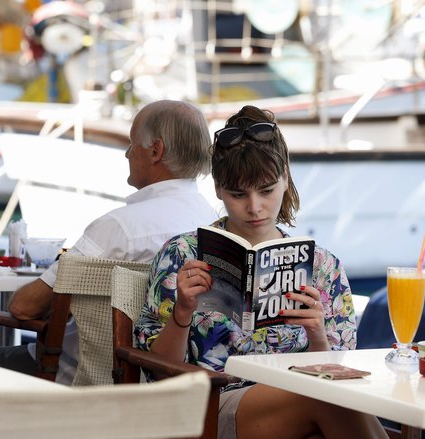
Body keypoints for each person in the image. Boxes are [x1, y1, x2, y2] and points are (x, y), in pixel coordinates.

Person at [134, 106, 388, 439]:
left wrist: (317, 336)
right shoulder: (184, 254)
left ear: (285, 176)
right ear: (218, 189)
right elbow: (158, 370)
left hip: (299, 402)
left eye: (266, 190)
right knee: (330, 401)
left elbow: (341, 374)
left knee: (335, 398)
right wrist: (182, 312)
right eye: (238, 195)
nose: (254, 207)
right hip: (210, 406)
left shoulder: (323, 267)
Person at [0, 99, 219, 384]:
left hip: (72, 377)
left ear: (156, 151)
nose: (127, 154)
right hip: (164, 384)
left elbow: (24, 308)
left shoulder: (119, 228)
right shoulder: (213, 225)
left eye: (131, 144)